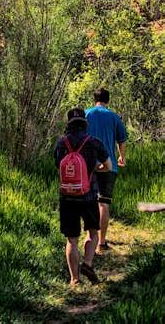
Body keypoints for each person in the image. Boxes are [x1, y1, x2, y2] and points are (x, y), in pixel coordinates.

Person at [54, 108, 112, 286]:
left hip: (67, 197)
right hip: (88, 195)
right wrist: (94, 169)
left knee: (71, 239)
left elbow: (59, 168)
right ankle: (87, 263)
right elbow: (108, 166)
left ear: (69, 124)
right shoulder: (94, 142)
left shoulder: (61, 143)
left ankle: (74, 279)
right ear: (84, 124)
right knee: (93, 232)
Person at [85, 88, 127, 253]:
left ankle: (90, 238)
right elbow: (122, 140)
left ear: (94, 99)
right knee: (103, 203)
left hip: (88, 166)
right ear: (107, 100)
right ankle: (102, 243)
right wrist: (121, 156)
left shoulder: (86, 114)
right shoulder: (114, 117)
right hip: (109, 166)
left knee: (89, 201)